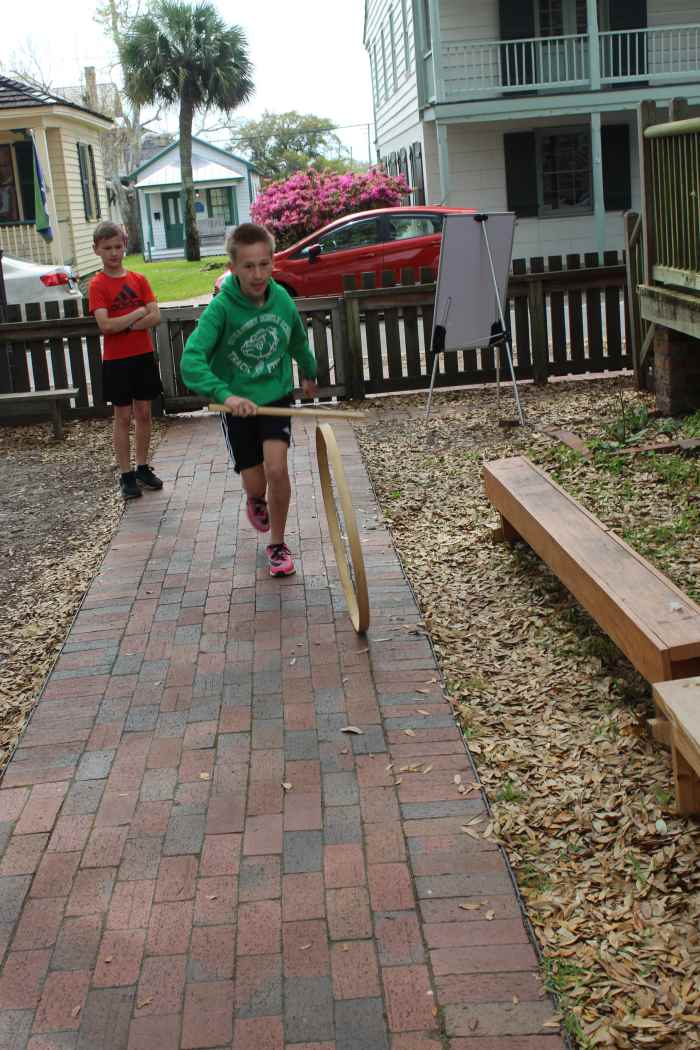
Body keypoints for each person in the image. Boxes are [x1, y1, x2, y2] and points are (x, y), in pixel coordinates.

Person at [180, 222, 318, 577]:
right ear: (233, 268)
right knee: (256, 482)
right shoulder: (222, 309)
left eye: (264, 264)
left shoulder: (282, 299)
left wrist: (308, 370)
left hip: (275, 397)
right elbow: (190, 361)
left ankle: (277, 544)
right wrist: (225, 394)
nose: (258, 274)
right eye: (248, 266)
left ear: (273, 263)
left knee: (277, 469)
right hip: (236, 406)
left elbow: (297, 339)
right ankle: (255, 499)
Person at [89, 221, 163, 500]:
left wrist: (128, 324)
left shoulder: (138, 280)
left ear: (125, 245)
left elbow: (156, 316)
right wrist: (135, 315)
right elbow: (106, 326)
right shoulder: (97, 284)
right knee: (122, 416)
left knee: (144, 412)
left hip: (141, 355)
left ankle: (142, 466)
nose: (114, 253)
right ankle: (126, 474)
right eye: (107, 248)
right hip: (116, 360)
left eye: (118, 246)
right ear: (96, 250)